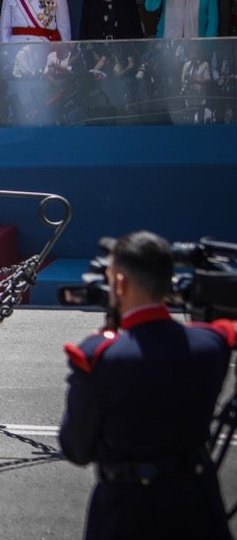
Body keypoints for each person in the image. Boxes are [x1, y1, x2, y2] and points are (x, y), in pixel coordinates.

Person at [59, 230, 235, 540]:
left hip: (128, 511)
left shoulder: (97, 356)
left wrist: (110, 332)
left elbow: (76, 449)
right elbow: (223, 326)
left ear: (120, 283)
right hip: (198, 503)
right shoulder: (211, 344)